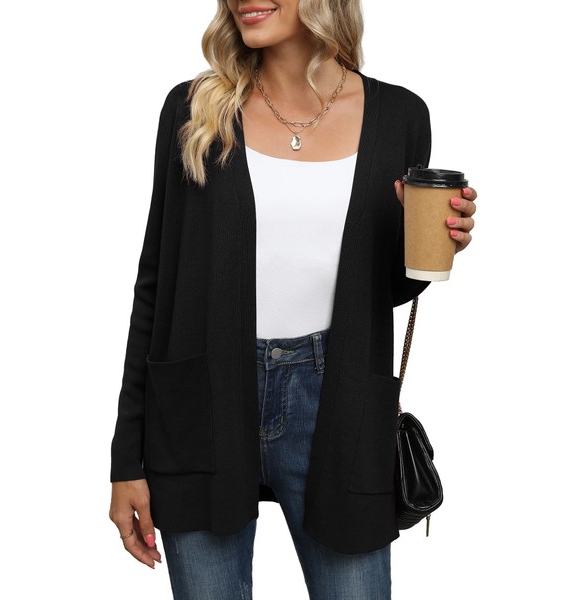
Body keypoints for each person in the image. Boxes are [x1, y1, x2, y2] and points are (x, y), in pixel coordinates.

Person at [109, 1, 477, 598]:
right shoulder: (194, 109)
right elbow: (157, 282)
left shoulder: (400, 115)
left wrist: (437, 246)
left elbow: (379, 289)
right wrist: (127, 459)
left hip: (337, 398)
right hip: (200, 403)